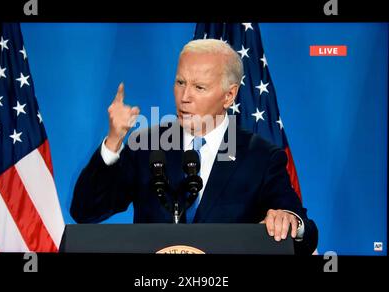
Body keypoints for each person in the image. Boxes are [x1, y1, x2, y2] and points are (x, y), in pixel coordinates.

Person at [70, 39, 318, 255]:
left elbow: (306, 236)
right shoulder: (146, 146)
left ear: (229, 96)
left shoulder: (260, 157)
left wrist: (291, 221)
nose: (184, 96)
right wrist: (113, 141)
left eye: (199, 87)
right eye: (180, 82)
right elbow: (85, 210)